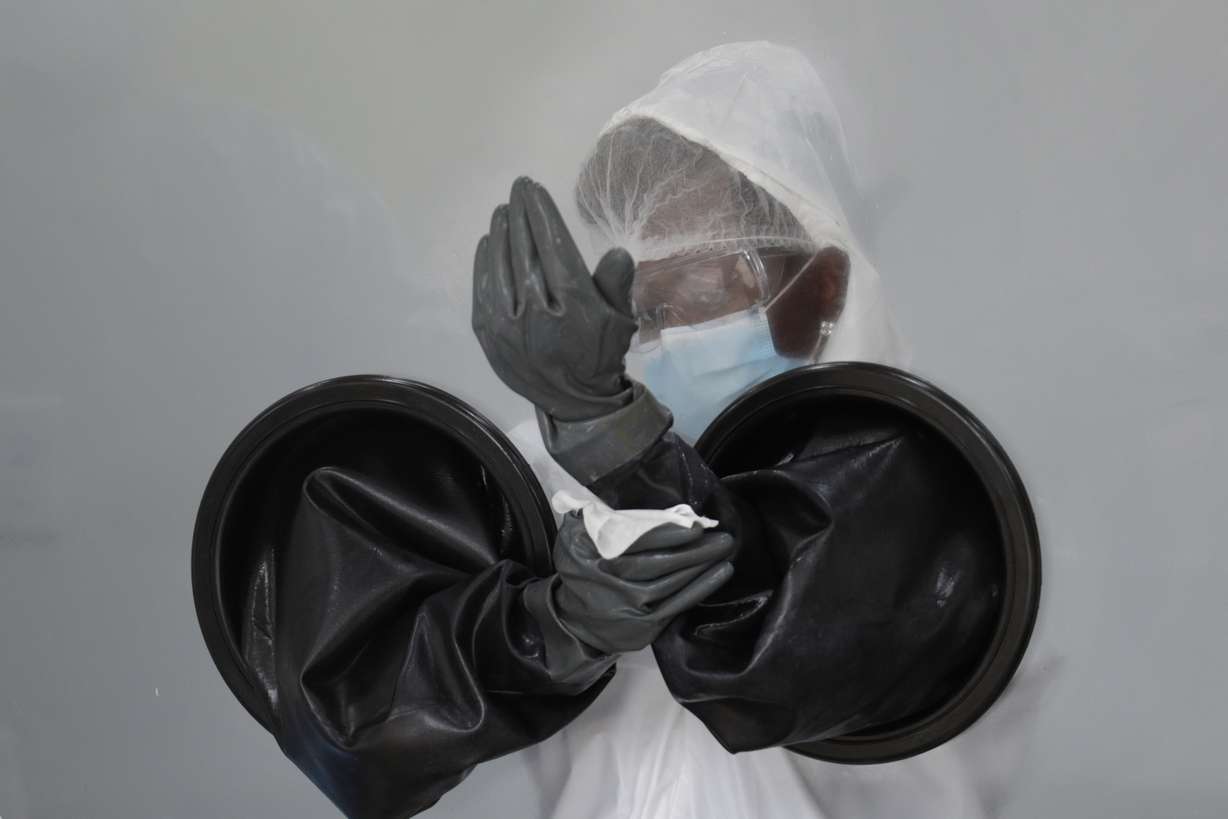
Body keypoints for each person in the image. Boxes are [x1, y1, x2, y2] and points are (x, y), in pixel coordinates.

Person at [472, 42, 1013, 819]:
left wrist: (605, 432)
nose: (660, 336)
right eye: (646, 310)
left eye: (698, 294)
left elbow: (785, 640)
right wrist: (546, 630)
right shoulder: (550, 468)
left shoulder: (909, 466)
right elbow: (383, 703)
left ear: (825, 282)